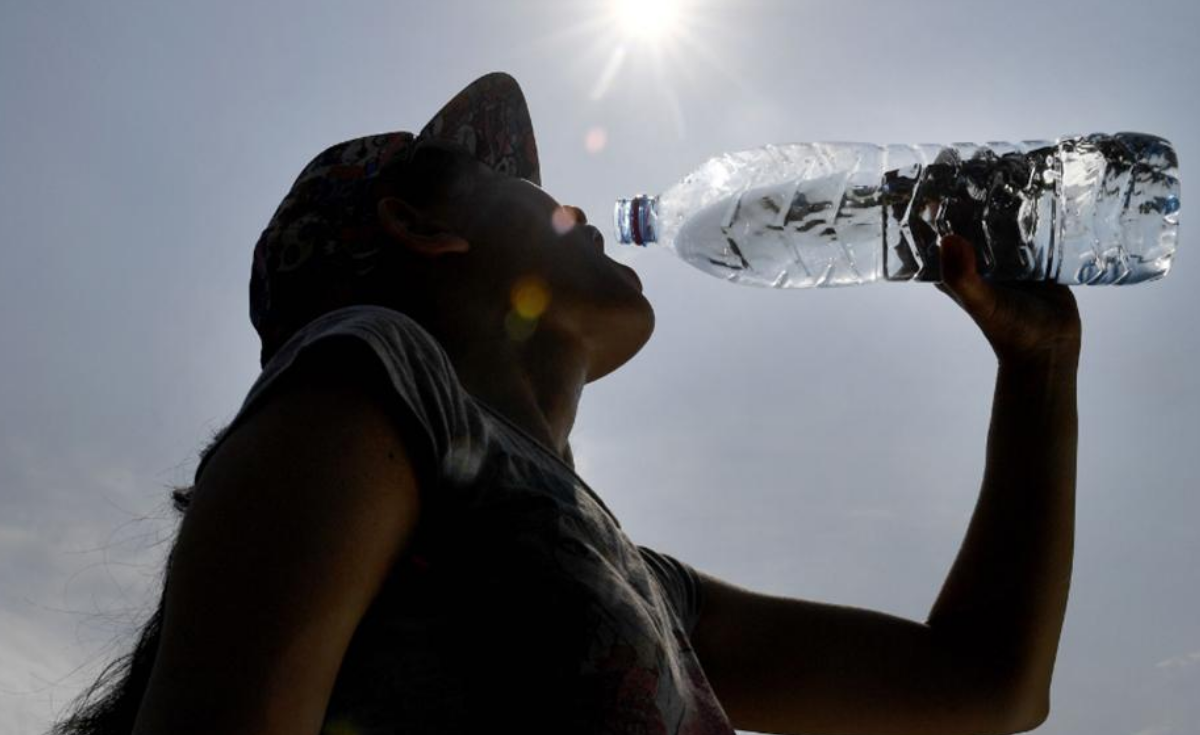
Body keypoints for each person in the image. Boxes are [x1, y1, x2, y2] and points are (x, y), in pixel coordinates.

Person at [52, 72, 1081, 735]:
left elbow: (986, 685)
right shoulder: (373, 379)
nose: (579, 213)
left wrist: (1038, 369)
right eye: (533, 192)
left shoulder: (644, 583)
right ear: (421, 225)